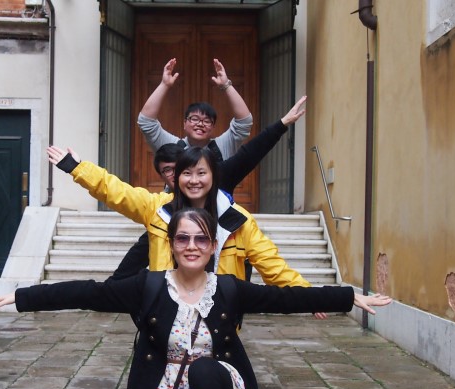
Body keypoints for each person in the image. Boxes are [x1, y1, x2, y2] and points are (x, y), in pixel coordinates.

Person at [0, 208, 393, 389]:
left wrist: (346, 297)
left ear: (212, 247)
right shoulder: (148, 286)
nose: (191, 246)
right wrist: (22, 297)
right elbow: (88, 292)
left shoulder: (228, 289)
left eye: (200, 239)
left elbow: (285, 299)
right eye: (182, 238)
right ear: (172, 244)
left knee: (204, 371)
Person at [47, 132, 309, 290]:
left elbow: (272, 264)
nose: (194, 181)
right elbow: (116, 191)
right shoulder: (157, 208)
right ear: (176, 177)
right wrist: (77, 168)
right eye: (186, 173)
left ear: (213, 175)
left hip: (218, 321)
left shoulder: (237, 220)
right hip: (165, 314)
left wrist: (308, 295)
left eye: (201, 173)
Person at [108, 96, 307, 282]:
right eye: (167, 171)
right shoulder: (161, 216)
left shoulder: (225, 191)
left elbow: (250, 153)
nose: (191, 180)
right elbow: (112, 189)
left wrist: (282, 124)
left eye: (198, 172)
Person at [138, 58, 253, 161]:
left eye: (207, 121)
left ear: (213, 127)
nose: (200, 124)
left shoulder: (222, 146)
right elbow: (146, 122)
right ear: (184, 123)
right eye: (194, 119)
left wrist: (227, 85)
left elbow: (244, 122)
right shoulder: (173, 147)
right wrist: (164, 84)